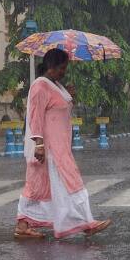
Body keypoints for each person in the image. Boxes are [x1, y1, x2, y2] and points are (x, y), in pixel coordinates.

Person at [15, 48, 112, 239]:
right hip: (49, 147)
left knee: (38, 186)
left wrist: (69, 95)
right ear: (50, 66)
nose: (64, 71)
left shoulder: (55, 85)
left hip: (60, 145)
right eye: (61, 68)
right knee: (70, 181)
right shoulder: (40, 86)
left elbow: (58, 111)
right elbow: (34, 117)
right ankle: (86, 223)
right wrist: (39, 145)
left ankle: (23, 226)